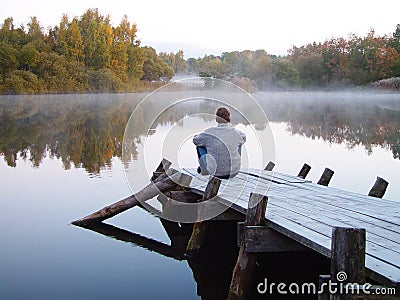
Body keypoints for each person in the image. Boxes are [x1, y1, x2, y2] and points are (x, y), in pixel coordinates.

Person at [193, 107, 246, 179]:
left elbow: (195, 140)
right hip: (233, 173)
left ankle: (204, 169)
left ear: (216, 119)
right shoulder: (236, 133)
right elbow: (244, 137)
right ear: (229, 119)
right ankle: (232, 166)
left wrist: (198, 136)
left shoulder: (208, 132)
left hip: (214, 173)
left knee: (200, 145)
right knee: (239, 142)